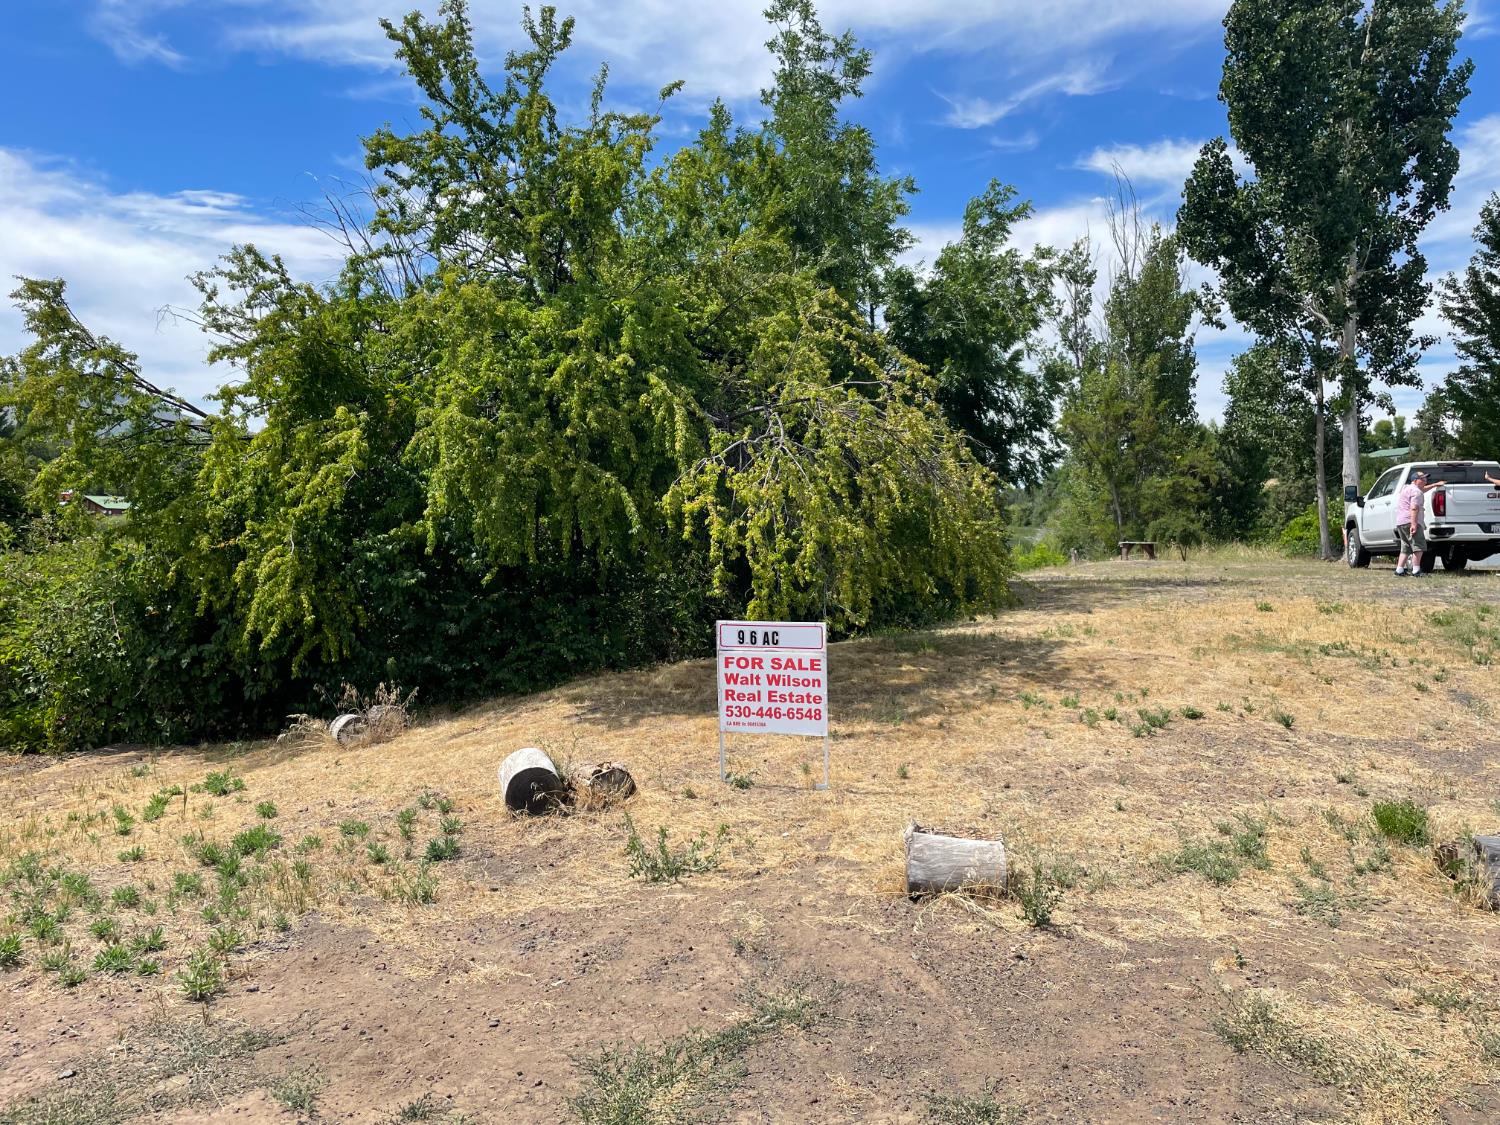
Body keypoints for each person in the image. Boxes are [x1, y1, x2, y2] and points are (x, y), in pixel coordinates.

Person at [1394, 469, 1446, 576]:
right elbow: (1414, 508)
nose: (1425, 480)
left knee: (1405, 547)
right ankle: (1416, 570)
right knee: (1419, 546)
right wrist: (1414, 524)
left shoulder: (1407, 488)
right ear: (1415, 480)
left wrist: (1435, 484)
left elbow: (1423, 489)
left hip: (1401, 522)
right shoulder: (1416, 492)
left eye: (1426, 478)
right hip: (1411, 521)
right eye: (1423, 479)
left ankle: (1399, 570)